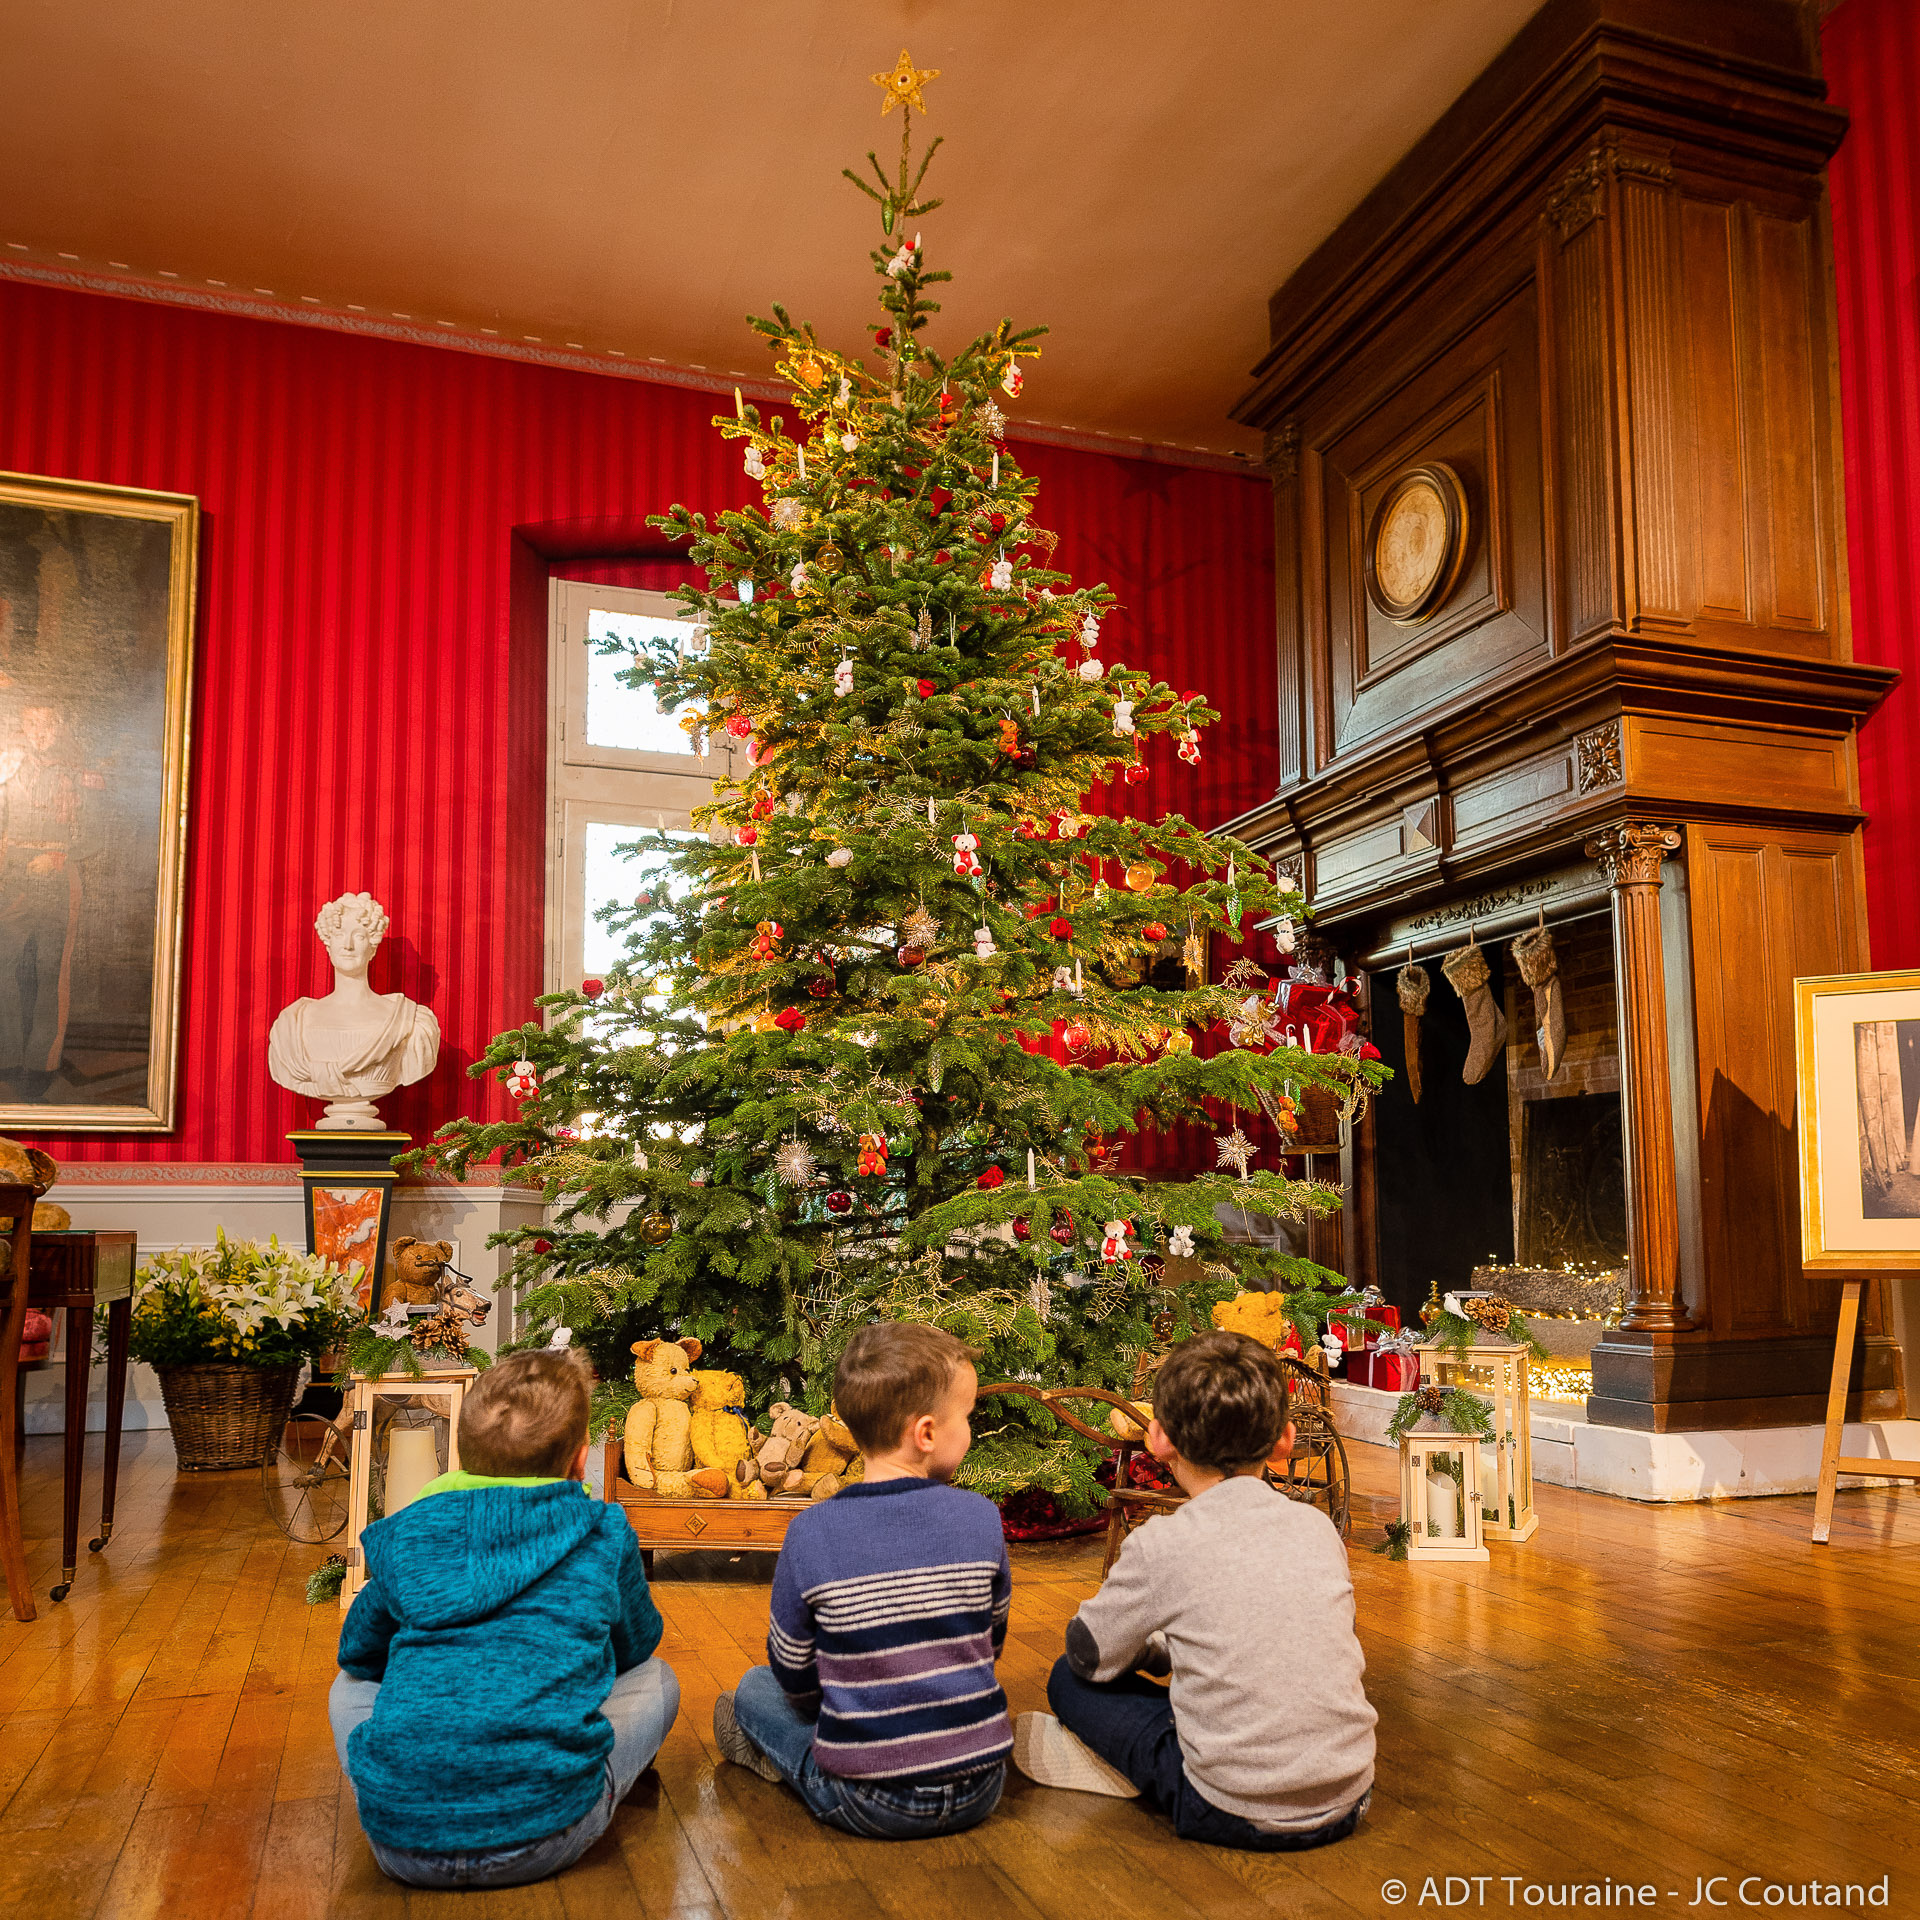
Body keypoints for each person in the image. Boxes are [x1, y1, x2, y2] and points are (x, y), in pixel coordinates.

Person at [1014, 1328, 1376, 1850]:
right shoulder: (1317, 1527)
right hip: (1351, 1794)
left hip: (1230, 1808)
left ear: (1158, 1438)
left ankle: (1124, 1764)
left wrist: (1155, 1651)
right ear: (1284, 1441)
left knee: (1067, 1682)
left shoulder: (1163, 1541)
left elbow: (1089, 1655)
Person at [329, 1347, 678, 1889]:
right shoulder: (603, 1530)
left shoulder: (408, 1533)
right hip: (547, 1833)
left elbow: (358, 1653)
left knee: (344, 1687)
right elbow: (638, 1645)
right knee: (658, 1681)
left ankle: (400, 1781)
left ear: (463, 1461)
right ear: (580, 1460)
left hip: (402, 1844)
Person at [712, 1321, 1012, 1838]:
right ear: (926, 1434)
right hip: (982, 1788)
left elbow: (793, 1669)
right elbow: (991, 1641)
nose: (971, 1426)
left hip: (867, 1800)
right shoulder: (982, 1517)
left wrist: (822, 1708)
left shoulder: (810, 1532)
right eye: (967, 1415)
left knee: (754, 1689)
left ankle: (787, 1762)